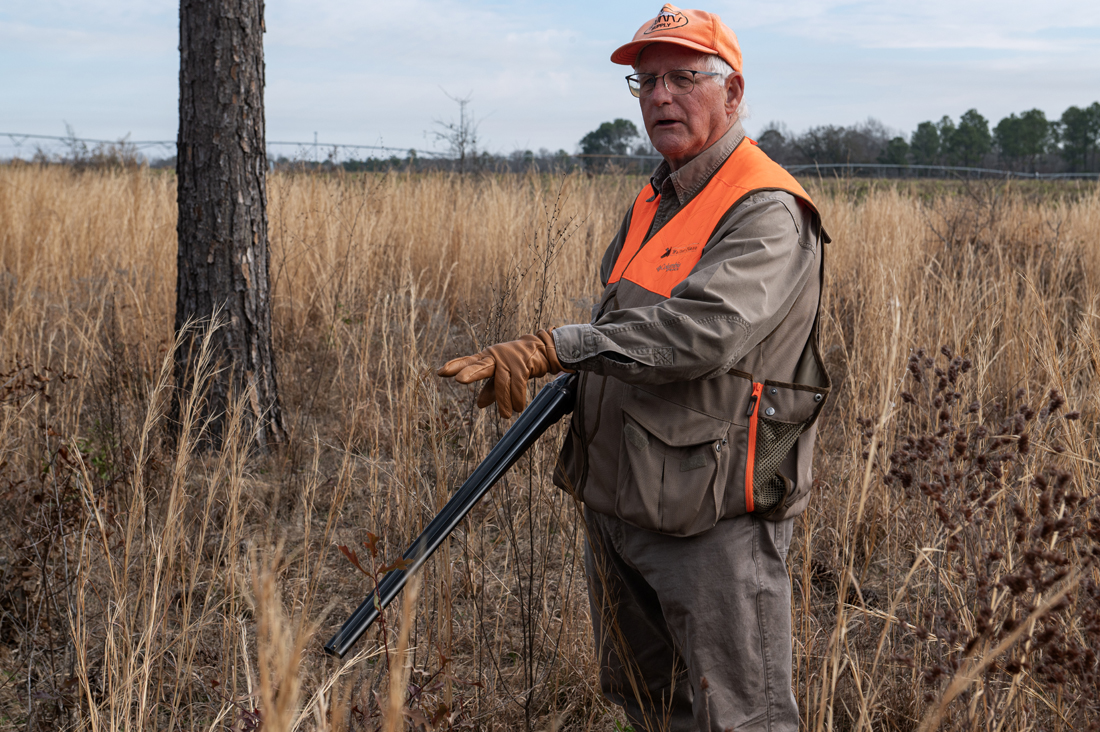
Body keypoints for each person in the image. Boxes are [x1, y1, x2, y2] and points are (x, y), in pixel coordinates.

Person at [438, 4, 830, 730]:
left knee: (741, 718)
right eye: (645, 83)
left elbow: (701, 334)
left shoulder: (766, 207)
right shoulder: (659, 194)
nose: (659, 98)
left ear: (733, 92)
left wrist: (556, 347)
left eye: (683, 78)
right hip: (621, 503)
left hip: (711, 519)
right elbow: (624, 324)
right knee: (649, 706)